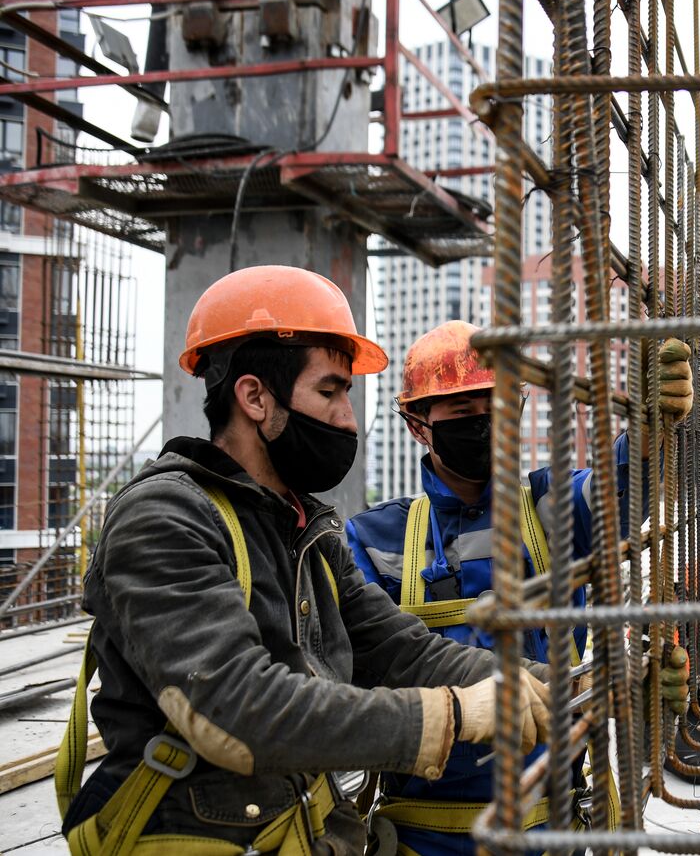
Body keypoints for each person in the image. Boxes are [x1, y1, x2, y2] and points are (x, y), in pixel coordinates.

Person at [56, 267, 556, 855]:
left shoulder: (302, 528)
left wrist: (536, 684)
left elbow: (394, 646)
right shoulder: (164, 517)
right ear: (254, 397)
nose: (347, 419)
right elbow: (236, 709)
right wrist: (445, 716)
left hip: (293, 827)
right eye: (330, 391)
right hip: (195, 834)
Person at [347, 320, 693, 855]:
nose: (485, 424)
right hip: (425, 836)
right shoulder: (375, 538)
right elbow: (367, 665)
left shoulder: (549, 507)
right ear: (419, 425)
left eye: (499, 407)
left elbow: (618, 489)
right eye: (463, 413)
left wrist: (648, 436)